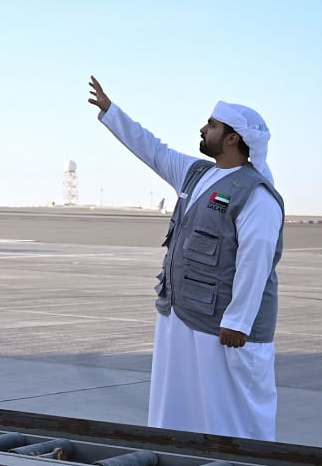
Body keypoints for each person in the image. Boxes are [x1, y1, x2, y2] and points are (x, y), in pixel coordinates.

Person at [87, 75, 283, 441]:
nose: (203, 129)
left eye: (211, 124)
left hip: (224, 329)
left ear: (232, 137)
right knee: (177, 404)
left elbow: (256, 260)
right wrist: (112, 112)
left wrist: (238, 322)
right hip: (181, 315)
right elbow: (153, 150)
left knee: (230, 414)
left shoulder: (255, 194)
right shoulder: (196, 174)